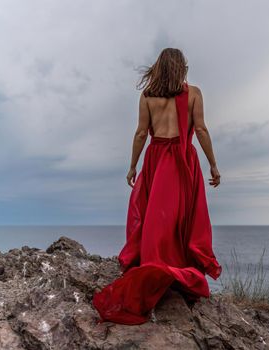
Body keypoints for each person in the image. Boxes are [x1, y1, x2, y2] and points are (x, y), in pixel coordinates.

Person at [92, 48, 222, 325]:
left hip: (156, 158)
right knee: (181, 216)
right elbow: (200, 130)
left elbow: (141, 132)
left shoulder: (148, 96)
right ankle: (174, 272)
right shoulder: (194, 93)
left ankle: (159, 267)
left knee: (156, 217)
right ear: (182, 68)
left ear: (159, 67)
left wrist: (133, 166)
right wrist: (212, 164)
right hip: (182, 160)